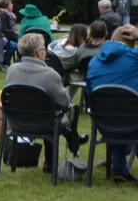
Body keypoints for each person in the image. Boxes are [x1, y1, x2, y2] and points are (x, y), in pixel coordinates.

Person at [86, 24, 138, 185]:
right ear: (132, 43)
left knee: (116, 112)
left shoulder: (94, 63)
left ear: (110, 39)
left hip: (105, 124)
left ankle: (119, 168)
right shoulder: (137, 57)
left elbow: (90, 95)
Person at [5, 32, 88, 171]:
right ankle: (50, 163)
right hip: (44, 123)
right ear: (38, 53)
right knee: (54, 114)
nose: (46, 52)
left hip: (16, 122)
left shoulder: (12, 70)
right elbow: (65, 102)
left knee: (46, 112)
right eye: (44, 49)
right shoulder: (50, 75)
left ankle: (72, 141)